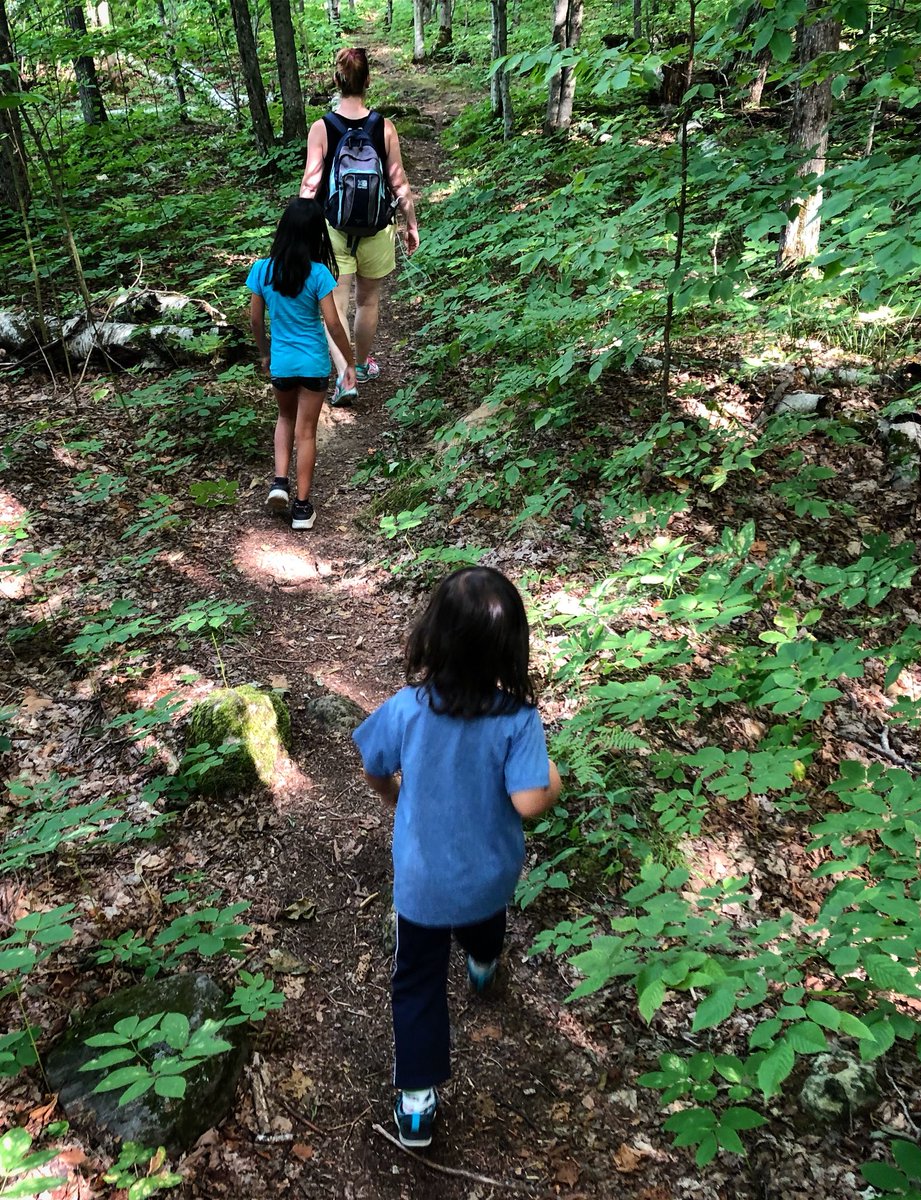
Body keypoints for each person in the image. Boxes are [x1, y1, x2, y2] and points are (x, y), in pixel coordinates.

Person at [351, 567, 562, 1148]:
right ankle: (484, 962)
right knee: (483, 924)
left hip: (421, 883)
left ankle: (416, 1103)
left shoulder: (407, 708)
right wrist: (554, 780)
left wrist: (397, 799)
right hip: (489, 876)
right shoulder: (519, 721)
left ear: (433, 637)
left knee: (417, 982)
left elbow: (372, 765)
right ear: (508, 649)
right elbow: (528, 802)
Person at [299, 47, 420, 405]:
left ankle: (345, 376)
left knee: (334, 304)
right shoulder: (384, 127)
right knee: (368, 300)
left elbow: (310, 184)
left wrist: (303, 229)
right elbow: (398, 183)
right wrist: (410, 224)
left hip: (334, 228)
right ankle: (364, 362)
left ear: (337, 81)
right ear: (368, 81)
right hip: (378, 226)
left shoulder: (322, 127)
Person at [247, 198, 357, 531]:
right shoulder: (319, 274)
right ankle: (301, 509)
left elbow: (254, 319)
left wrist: (265, 352)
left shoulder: (262, 270)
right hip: (313, 366)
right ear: (315, 235)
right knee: (306, 432)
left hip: (281, 364)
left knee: (284, 418)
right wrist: (349, 362)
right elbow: (334, 323)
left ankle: (280, 483)